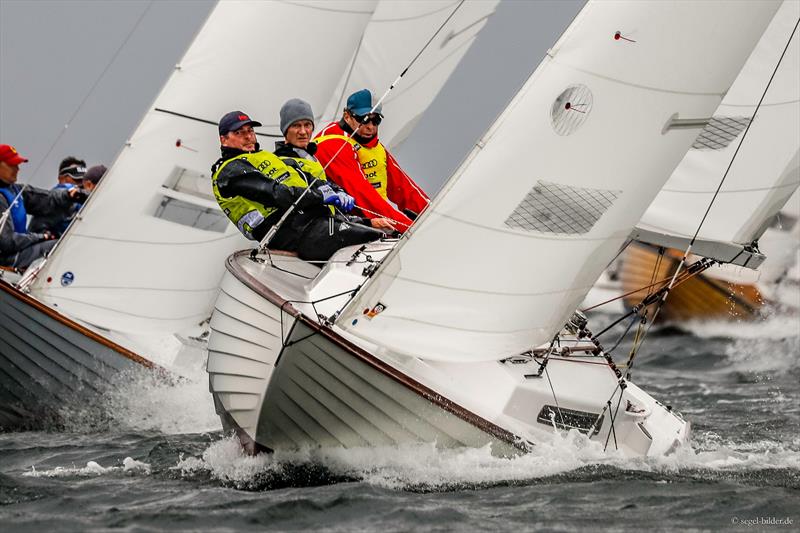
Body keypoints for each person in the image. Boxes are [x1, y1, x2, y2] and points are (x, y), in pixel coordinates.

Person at [211, 110, 384, 262]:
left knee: (382, 236)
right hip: (289, 233)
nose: (248, 136)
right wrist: (321, 196)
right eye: (239, 133)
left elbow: (310, 181)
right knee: (369, 240)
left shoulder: (269, 157)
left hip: (313, 223)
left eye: (250, 131)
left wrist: (339, 196)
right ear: (224, 139)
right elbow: (276, 194)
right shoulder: (229, 171)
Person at [314, 88, 429, 231]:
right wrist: (408, 229)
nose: (370, 127)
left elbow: (404, 188)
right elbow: (363, 196)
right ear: (347, 116)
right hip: (337, 223)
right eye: (364, 119)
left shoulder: (374, 146)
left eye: (376, 121)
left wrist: (433, 215)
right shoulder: (331, 143)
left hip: (373, 221)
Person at [273, 98, 396, 232]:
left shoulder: (311, 157)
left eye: (307, 125)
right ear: (285, 130)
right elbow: (302, 204)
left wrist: (369, 223)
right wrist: (323, 195)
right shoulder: (280, 161)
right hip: (309, 234)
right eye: (296, 125)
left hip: (330, 227)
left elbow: (329, 204)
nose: (303, 132)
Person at [0, 145, 86, 270]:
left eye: (17, 164)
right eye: (12, 165)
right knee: (59, 246)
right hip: (6, 259)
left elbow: (48, 199)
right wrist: (40, 237)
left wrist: (68, 195)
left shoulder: (17, 191)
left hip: (16, 253)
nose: (17, 169)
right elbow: (6, 242)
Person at [28, 156, 87, 236]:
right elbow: (60, 193)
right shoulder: (56, 196)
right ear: (61, 179)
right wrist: (71, 194)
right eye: (76, 180)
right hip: (48, 244)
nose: (80, 184)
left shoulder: (84, 195)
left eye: (83, 181)